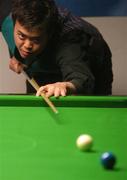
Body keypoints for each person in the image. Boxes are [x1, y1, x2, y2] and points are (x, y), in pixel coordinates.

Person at [1, 0, 113, 97]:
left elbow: (80, 78)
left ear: (49, 34)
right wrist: (15, 55)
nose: (27, 45)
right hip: (44, 58)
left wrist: (64, 85)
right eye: (21, 36)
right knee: (39, 98)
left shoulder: (69, 40)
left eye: (35, 40)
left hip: (91, 60)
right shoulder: (6, 13)